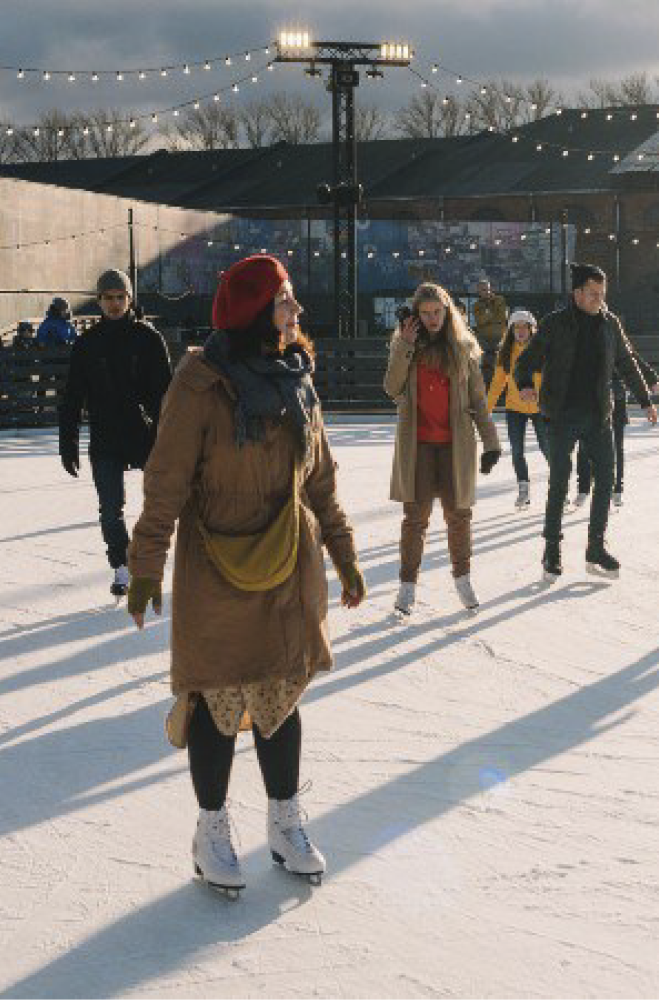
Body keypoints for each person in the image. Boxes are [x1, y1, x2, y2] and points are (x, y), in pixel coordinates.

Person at [126, 254, 364, 896]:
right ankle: (212, 829)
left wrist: (342, 550)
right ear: (257, 309)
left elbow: (320, 476)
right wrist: (145, 566)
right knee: (218, 697)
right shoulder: (202, 385)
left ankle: (284, 823)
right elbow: (166, 481)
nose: (297, 312)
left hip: (289, 563)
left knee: (278, 696)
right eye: (286, 301)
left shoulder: (295, 377)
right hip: (219, 568)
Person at [513, 263, 657, 582]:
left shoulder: (610, 324)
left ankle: (595, 546)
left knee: (606, 478)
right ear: (576, 293)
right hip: (561, 415)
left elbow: (626, 362)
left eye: (602, 294)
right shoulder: (554, 324)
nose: (598, 299)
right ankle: (552, 549)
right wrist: (525, 384)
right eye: (593, 293)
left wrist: (645, 399)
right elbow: (526, 360)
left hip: (597, 415)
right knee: (560, 482)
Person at [384, 282, 503, 614]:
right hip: (418, 448)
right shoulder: (406, 346)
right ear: (417, 315)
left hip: (455, 447)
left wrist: (491, 443)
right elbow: (392, 388)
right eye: (426, 313)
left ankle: (463, 581)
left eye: (438, 312)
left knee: (459, 516)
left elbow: (479, 401)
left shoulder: (463, 349)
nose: (433, 318)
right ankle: (407, 588)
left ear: (448, 312)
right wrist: (404, 346)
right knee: (415, 519)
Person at [59, 269, 173, 598]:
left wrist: (167, 436)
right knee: (110, 509)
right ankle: (122, 566)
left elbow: (165, 394)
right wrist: (68, 443)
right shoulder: (87, 344)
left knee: (160, 504)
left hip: (144, 436)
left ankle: (151, 563)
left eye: (120, 297)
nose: (114, 304)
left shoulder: (148, 339)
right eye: (108, 298)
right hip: (105, 439)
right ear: (98, 301)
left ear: (130, 299)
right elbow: (73, 397)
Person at [574, 337, 659, 511]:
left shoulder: (613, 335)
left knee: (616, 445)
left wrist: (651, 379)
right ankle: (584, 487)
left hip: (616, 398)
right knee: (584, 443)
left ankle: (617, 488)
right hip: (589, 399)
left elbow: (633, 359)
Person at [486, 309, 549, 510]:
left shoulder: (542, 350)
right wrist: (486, 409)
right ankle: (523, 489)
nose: (521, 331)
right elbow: (497, 384)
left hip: (541, 408)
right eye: (516, 327)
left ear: (532, 329)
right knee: (517, 450)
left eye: (524, 327)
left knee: (547, 448)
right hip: (515, 408)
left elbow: (551, 378)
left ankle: (559, 487)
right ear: (511, 330)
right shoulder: (505, 354)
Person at [471, 279, 509, 352]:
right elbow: (479, 321)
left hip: (499, 335)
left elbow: (503, 317)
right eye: (483, 290)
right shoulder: (476, 305)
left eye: (488, 289)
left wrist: (486, 317)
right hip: (484, 338)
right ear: (478, 292)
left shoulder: (500, 299)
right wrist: (493, 311)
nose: (487, 292)